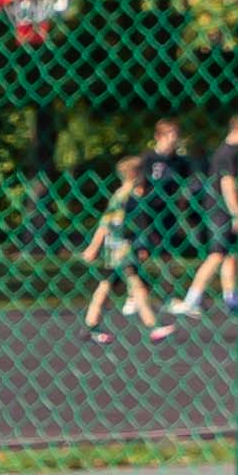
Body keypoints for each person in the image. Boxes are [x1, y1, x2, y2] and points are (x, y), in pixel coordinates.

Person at [76, 130, 168, 335]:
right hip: (121, 248)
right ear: (135, 175)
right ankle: (152, 326)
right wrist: (93, 248)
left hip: (120, 248)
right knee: (136, 285)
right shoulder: (124, 197)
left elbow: (116, 224)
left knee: (106, 286)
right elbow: (107, 224)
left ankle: (91, 324)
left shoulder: (126, 196)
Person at [164, 115, 238, 323]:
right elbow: (228, 185)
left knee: (230, 254)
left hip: (221, 210)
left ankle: (231, 297)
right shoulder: (229, 153)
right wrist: (236, 213)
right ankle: (192, 298)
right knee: (217, 254)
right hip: (221, 211)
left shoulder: (230, 152)